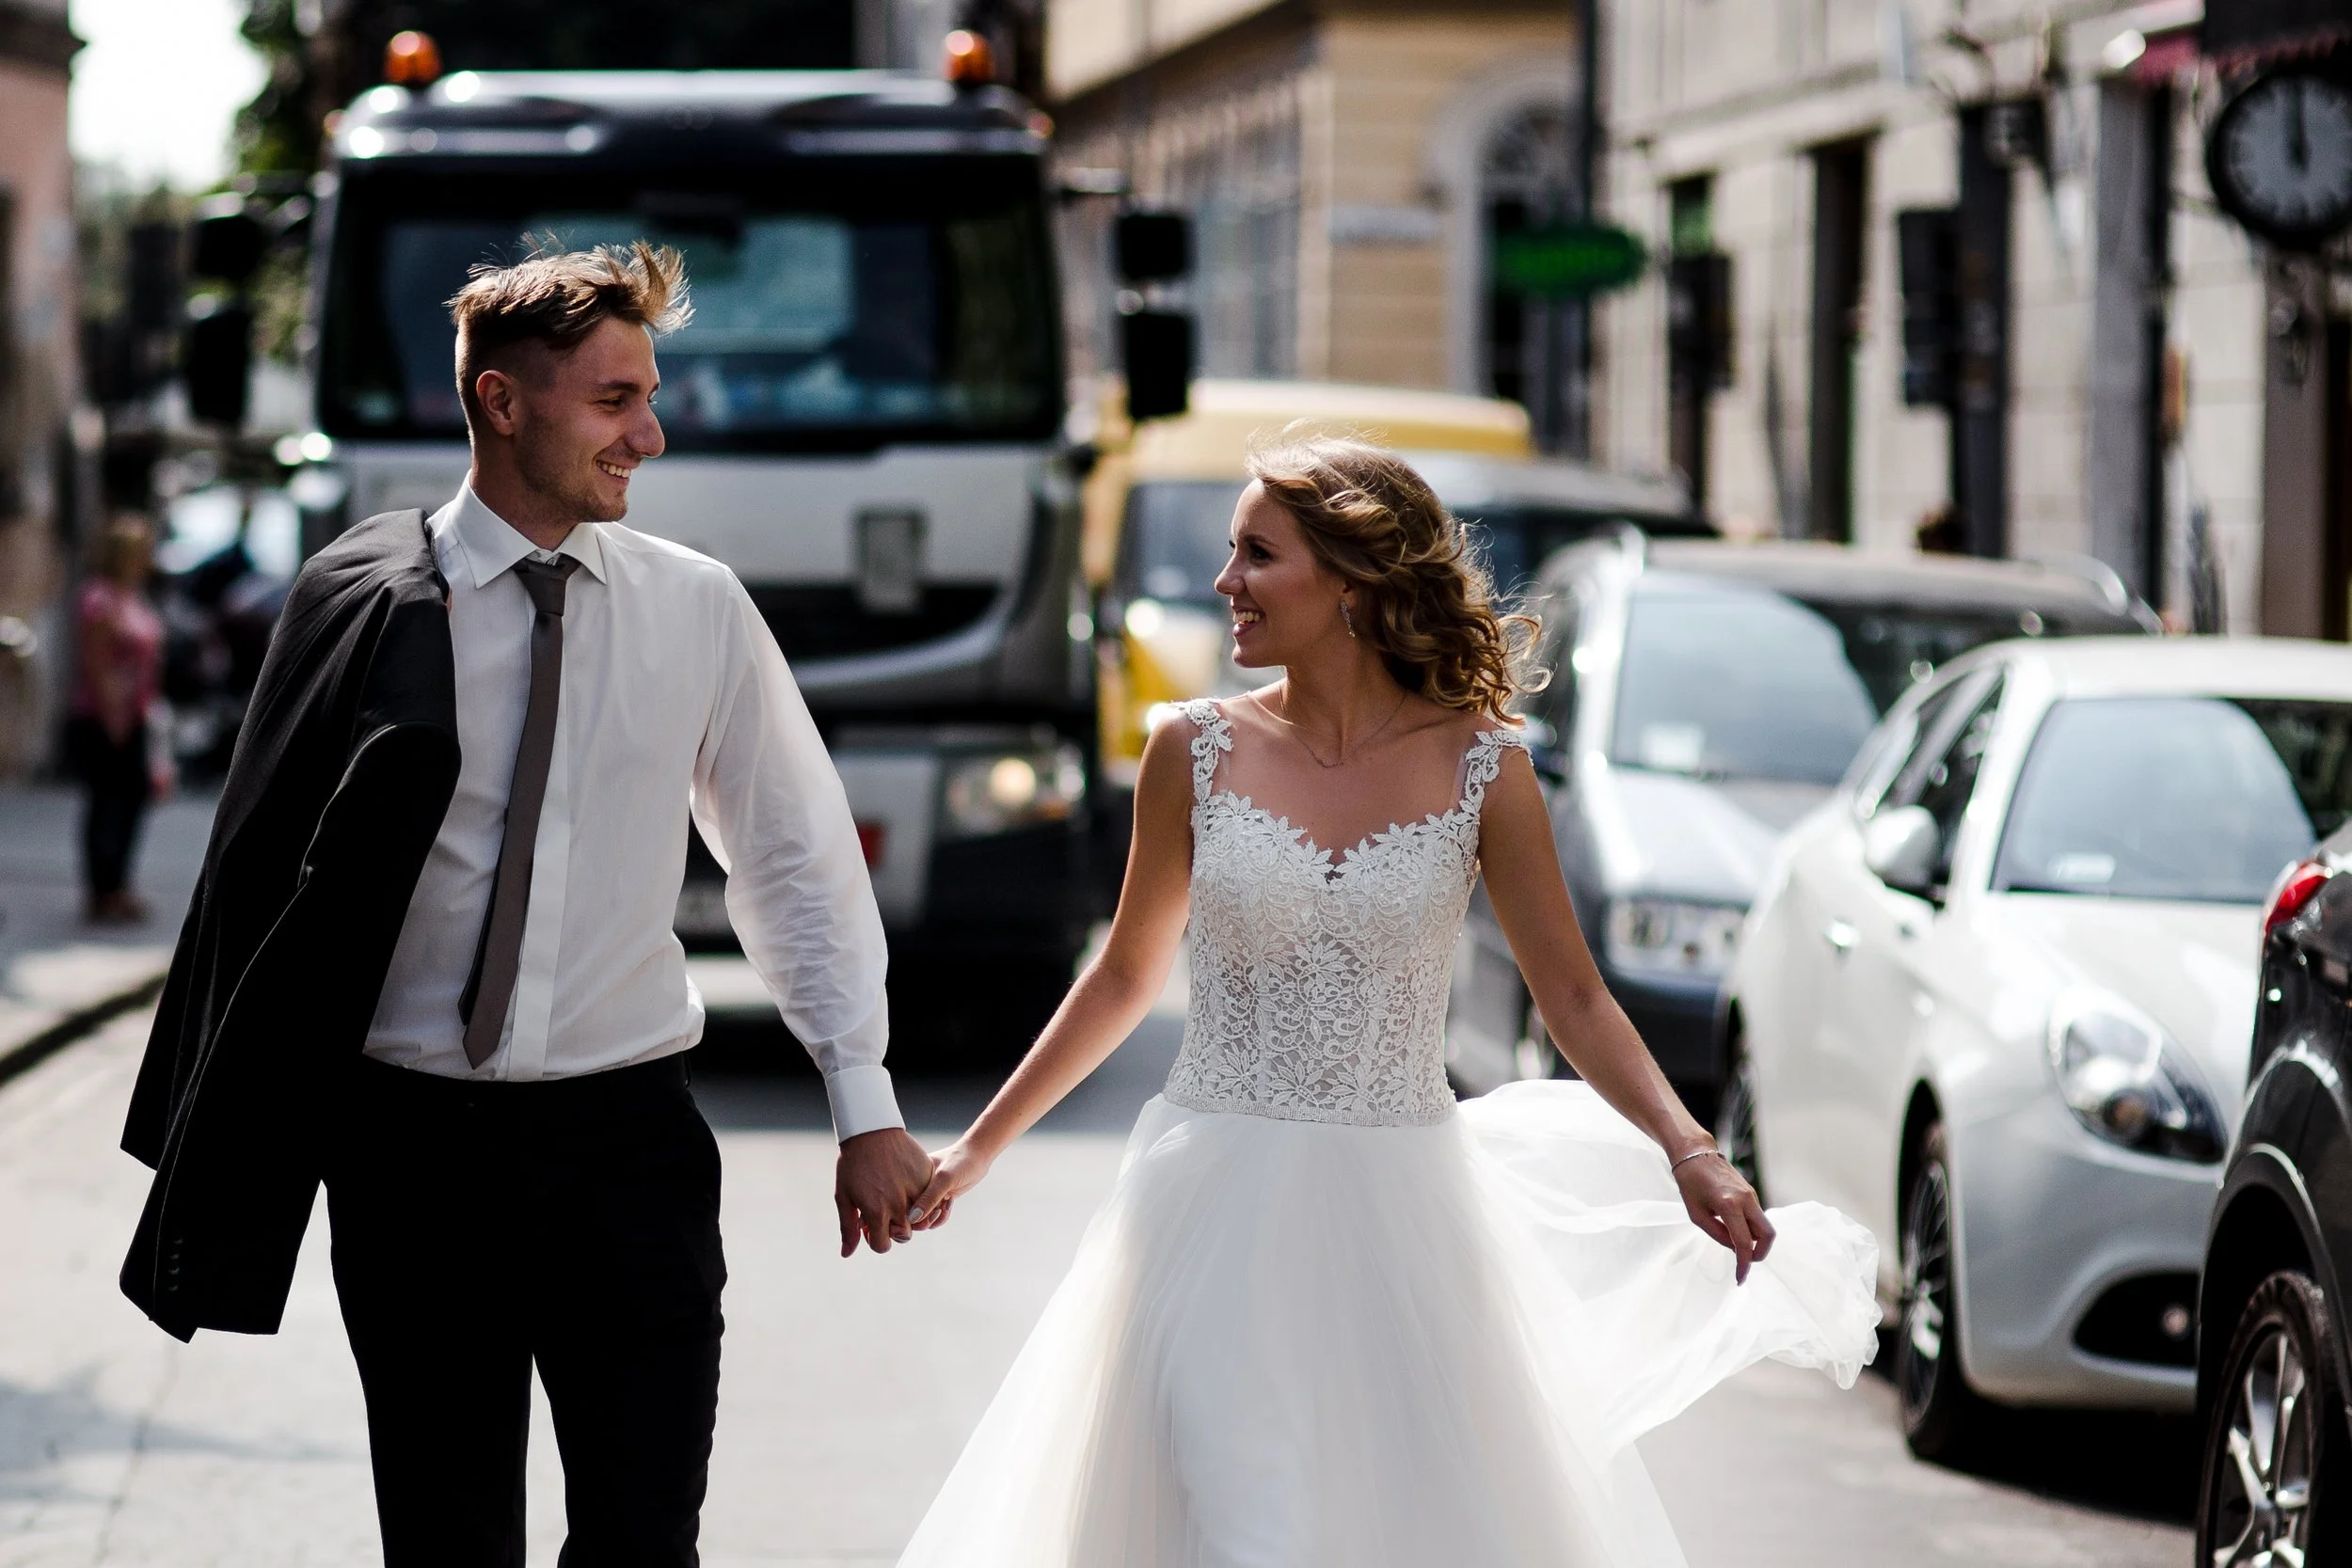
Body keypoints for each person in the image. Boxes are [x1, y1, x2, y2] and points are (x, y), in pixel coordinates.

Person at [898, 436, 1881, 1566]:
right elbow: (1124, 974)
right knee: (1235, 1525)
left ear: (1353, 579)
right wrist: (975, 1150)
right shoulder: (1194, 747)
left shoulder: (1482, 765)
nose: (1224, 584)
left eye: (1257, 556)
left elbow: (1570, 990)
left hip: (1404, 1220)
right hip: (1207, 1211)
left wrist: (1687, 1146)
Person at [119, 243, 933, 1566]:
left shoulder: (698, 609)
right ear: (504, 402)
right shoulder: (361, 605)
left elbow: (791, 854)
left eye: (650, 395)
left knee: (643, 1534)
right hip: (414, 1153)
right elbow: (255, 883)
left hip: (629, 1139)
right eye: (616, 399)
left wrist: (863, 1095)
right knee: (448, 1541)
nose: (650, 434)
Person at [68, 513, 170, 925]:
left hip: (138, 714)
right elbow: (98, 664)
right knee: (106, 803)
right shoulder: (99, 598)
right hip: (104, 718)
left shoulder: (135, 596)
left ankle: (120, 884)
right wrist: (115, 719)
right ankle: (101, 889)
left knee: (132, 802)